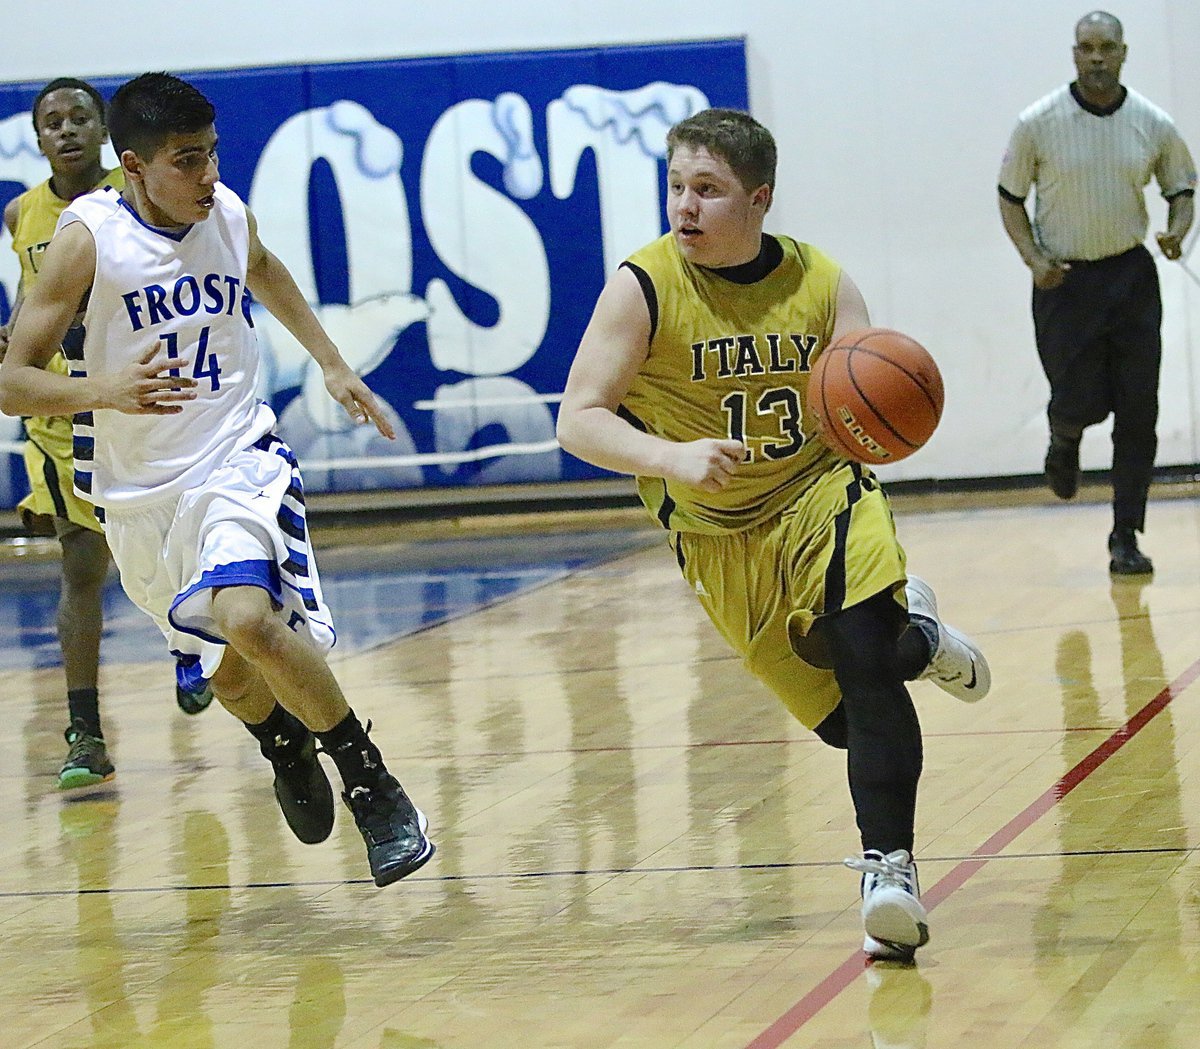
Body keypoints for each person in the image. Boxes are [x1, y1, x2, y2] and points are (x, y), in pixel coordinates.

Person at [557, 107, 991, 961]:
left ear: (759, 199)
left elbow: (872, 400)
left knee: (862, 652)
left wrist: (883, 422)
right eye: (677, 186)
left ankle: (889, 871)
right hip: (719, 535)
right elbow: (578, 419)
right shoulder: (642, 286)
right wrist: (671, 456)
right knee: (845, 717)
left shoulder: (823, 282)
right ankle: (921, 636)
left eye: (708, 190)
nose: (685, 205)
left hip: (819, 493)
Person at [0, 72, 433, 886]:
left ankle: (372, 784)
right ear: (133, 165)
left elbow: (264, 269)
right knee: (229, 671)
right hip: (137, 499)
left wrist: (333, 364)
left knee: (250, 617)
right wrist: (104, 390)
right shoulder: (87, 239)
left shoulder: (227, 213)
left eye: (213, 154)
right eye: (187, 160)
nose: (208, 175)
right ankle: (282, 742)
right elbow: (11, 382)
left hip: (236, 457)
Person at [0, 77, 214, 793]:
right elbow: (35, 313)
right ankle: (84, 726)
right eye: (51, 121)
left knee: (173, 549)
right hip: (68, 414)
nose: (65, 131)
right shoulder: (21, 215)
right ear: (37, 139)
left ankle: (189, 645)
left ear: (106, 135)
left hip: (150, 405)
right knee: (81, 562)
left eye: (78, 117)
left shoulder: (141, 201)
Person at [998, 10, 1196, 575]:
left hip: (1131, 278)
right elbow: (1009, 198)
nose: (1098, 58)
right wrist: (1034, 260)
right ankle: (1065, 437)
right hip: (1065, 283)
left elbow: (1182, 187)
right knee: (1082, 400)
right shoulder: (1037, 123)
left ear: (1124, 53)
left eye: (1108, 47)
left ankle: (1125, 534)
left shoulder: (1151, 122)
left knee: (1138, 412)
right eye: (1087, 48)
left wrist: (1177, 232)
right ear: (1074, 53)